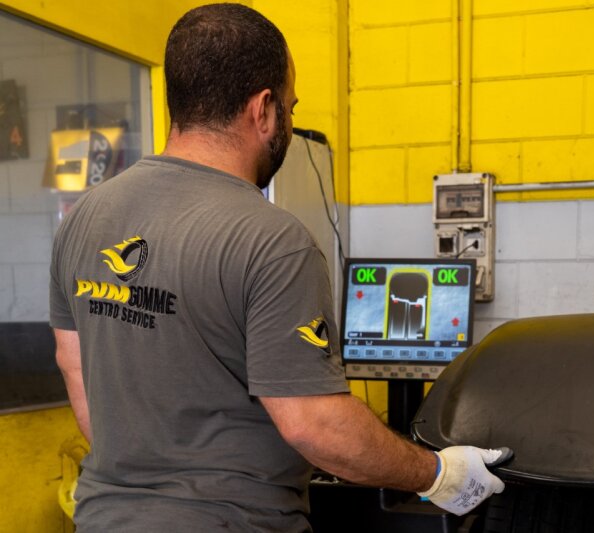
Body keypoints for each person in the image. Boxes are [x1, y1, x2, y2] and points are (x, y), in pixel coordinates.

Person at [50, 4, 504, 531]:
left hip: (103, 519)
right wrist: (441, 475)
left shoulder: (83, 218)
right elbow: (315, 426)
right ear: (263, 109)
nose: (287, 119)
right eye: (289, 106)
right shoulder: (273, 241)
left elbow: (75, 368)